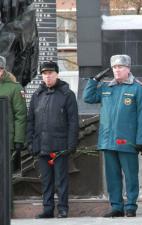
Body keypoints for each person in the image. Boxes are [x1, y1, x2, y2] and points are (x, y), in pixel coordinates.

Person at [83, 55, 142, 217]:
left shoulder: (138, 88)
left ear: (128, 69)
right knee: (112, 177)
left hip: (127, 140)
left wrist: (141, 140)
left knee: (130, 175)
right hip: (108, 140)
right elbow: (88, 97)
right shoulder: (106, 87)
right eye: (114, 67)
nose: (117, 70)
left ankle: (131, 205)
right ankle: (116, 206)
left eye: (120, 67)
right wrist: (94, 80)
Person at [27, 61, 79, 218]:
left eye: (50, 73)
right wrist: (30, 142)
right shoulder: (36, 96)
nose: (47, 76)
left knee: (61, 180)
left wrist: (71, 144)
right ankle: (48, 209)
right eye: (44, 73)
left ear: (57, 74)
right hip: (42, 146)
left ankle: (63, 209)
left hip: (60, 146)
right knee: (46, 181)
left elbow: (73, 122)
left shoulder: (67, 95)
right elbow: (31, 121)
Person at [0, 55, 27, 173]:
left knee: (4, 176)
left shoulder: (14, 88)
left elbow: (20, 115)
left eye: (0, 68)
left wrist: (19, 140)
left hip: (6, 141)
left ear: (3, 69)